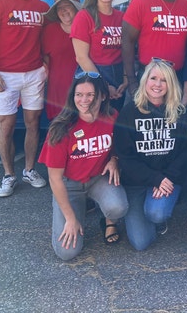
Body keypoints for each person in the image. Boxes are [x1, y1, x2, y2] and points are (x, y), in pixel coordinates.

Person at [38, 72, 129, 261]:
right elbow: (54, 179)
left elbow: (119, 146)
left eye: (90, 95)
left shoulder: (111, 116)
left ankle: (108, 220)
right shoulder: (61, 128)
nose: (84, 100)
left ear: (102, 96)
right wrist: (70, 220)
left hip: (98, 179)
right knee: (67, 253)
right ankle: (72, 213)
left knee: (118, 208)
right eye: (79, 94)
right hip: (68, 185)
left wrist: (114, 159)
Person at [114, 60, 187, 250]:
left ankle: (156, 213)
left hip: (167, 179)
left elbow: (184, 153)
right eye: (154, 78)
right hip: (136, 182)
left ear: (171, 84)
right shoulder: (128, 113)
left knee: (156, 214)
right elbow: (125, 157)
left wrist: (166, 178)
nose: (158, 84)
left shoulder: (180, 113)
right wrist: (154, 178)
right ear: (145, 80)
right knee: (140, 243)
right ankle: (140, 213)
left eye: (164, 80)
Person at [0, 0, 49, 197]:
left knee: (33, 123)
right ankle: (9, 175)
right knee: (6, 126)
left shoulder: (41, 6)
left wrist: (46, 66)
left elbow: (46, 41)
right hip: (5, 75)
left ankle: (29, 170)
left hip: (34, 73)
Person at [122, 0, 187, 96]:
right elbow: (127, 42)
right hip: (148, 77)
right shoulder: (140, 3)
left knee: (175, 112)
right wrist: (131, 81)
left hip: (177, 78)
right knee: (140, 111)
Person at [71, 0, 127, 112]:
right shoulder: (84, 16)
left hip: (118, 75)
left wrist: (126, 78)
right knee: (94, 117)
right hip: (93, 74)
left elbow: (126, 51)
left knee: (115, 119)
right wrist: (104, 85)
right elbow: (81, 58)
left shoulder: (122, 17)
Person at [42, 0, 82, 121]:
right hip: (57, 94)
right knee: (58, 134)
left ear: (76, 8)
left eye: (67, 6)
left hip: (84, 93)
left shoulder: (88, 28)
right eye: (59, 7)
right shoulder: (49, 31)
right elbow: (45, 60)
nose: (63, 10)